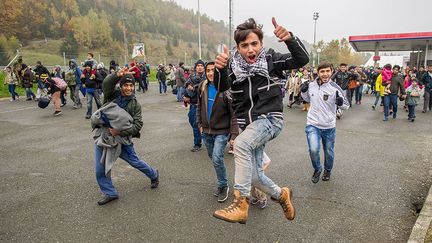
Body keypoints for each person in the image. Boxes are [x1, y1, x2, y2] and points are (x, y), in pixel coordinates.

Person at [212, 17, 309, 224]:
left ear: (261, 44)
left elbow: (301, 61)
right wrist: (220, 69)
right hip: (249, 126)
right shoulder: (232, 66)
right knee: (254, 176)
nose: (250, 49)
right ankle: (282, 194)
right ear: (237, 48)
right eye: (244, 45)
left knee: (241, 144)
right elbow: (221, 87)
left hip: (270, 119)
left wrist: (290, 39)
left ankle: (240, 203)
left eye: (254, 43)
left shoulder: (271, 59)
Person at [93, 67, 159, 205]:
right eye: (125, 85)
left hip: (122, 140)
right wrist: (116, 75)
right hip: (105, 137)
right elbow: (106, 84)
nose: (128, 88)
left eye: (131, 85)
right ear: (121, 86)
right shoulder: (112, 96)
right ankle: (110, 192)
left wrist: (119, 132)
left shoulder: (135, 104)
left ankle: (153, 174)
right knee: (101, 167)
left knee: (135, 162)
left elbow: (137, 125)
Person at [197, 61, 239, 203]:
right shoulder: (202, 87)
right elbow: (199, 106)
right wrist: (199, 124)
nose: (210, 73)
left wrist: (233, 134)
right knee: (214, 158)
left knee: (216, 158)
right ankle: (222, 182)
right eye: (208, 70)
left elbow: (234, 113)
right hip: (206, 131)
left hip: (222, 131)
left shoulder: (225, 90)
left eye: (213, 70)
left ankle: (223, 185)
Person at [301, 62, 349, 183]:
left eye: (327, 71)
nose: (325, 74)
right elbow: (307, 99)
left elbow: (346, 106)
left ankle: (328, 170)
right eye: (322, 71)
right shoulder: (311, 85)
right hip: (313, 124)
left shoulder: (335, 88)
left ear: (331, 71)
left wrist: (340, 102)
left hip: (329, 126)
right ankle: (317, 169)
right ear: (318, 72)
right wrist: (303, 91)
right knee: (313, 149)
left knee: (328, 151)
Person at [183, 60, 206, 152]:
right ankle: (198, 141)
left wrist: (194, 88)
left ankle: (200, 143)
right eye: (198, 66)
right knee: (192, 121)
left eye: (201, 66)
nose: (200, 67)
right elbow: (186, 86)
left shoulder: (207, 76)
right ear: (196, 67)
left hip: (204, 104)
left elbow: (203, 86)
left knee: (203, 123)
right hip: (193, 104)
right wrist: (185, 96)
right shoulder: (191, 76)